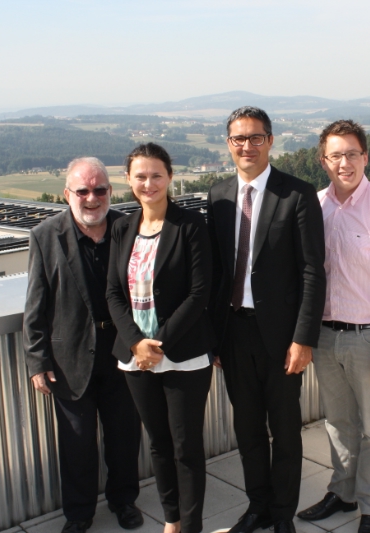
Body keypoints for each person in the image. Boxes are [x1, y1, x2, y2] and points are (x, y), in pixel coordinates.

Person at [206, 106, 326, 533]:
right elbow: (217, 272)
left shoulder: (297, 194)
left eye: (256, 137)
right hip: (234, 333)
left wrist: (303, 339)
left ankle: (282, 514)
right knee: (248, 428)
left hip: (281, 337)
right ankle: (257, 506)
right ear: (229, 144)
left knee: (286, 430)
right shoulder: (218, 195)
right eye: (239, 138)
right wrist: (214, 339)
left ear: (270, 141)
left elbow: (313, 271)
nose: (247, 146)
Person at [296, 120, 370, 533]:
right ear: (323, 161)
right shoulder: (315, 206)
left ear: (365, 157)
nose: (344, 163)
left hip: (369, 337)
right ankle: (342, 492)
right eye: (335, 155)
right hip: (325, 336)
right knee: (338, 423)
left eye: (351, 154)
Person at [23, 157, 143, 533]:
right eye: (83, 191)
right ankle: (79, 515)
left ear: (111, 191)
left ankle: (124, 501)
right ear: (67, 194)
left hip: (122, 352)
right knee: (77, 444)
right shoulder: (45, 236)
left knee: (124, 437)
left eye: (100, 190)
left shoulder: (128, 228)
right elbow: (36, 303)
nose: (92, 198)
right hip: (69, 358)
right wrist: (37, 360)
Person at [106, 143, 216, 533]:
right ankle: (172, 520)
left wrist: (159, 344)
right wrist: (137, 343)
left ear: (170, 176)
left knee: (186, 446)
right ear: (128, 179)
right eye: (140, 176)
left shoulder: (190, 225)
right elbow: (113, 293)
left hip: (183, 353)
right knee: (158, 443)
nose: (148, 183)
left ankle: (191, 525)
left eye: (156, 175)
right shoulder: (122, 228)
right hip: (136, 356)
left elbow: (199, 293)